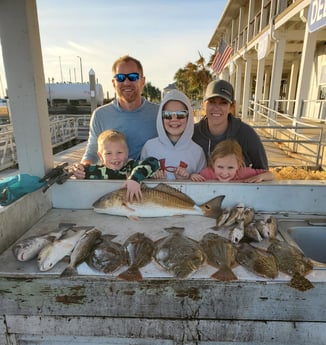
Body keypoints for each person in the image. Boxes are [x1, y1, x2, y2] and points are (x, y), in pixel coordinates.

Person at [74, 55, 158, 179]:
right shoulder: (100, 115)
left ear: (142, 81)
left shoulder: (159, 113)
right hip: (112, 183)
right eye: (120, 78)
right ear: (114, 83)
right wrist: (82, 167)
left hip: (151, 183)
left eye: (133, 77)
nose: (126, 82)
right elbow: (92, 151)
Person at [192, 79, 268, 169]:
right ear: (204, 105)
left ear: (231, 107)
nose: (217, 108)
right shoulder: (192, 133)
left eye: (223, 103)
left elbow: (263, 170)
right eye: (212, 102)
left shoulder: (246, 134)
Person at [73, 129, 159, 201]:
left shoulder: (132, 166)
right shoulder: (95, 171)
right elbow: (76, 171)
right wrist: (77, 171)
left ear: (127, 152)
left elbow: (154, 162)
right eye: (108, 153)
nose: (115, 157)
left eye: (119, 152)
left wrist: (135, 179)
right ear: (100, 156)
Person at [141, 89, 206, 180]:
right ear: (161, 117)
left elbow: (203, 187)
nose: (174, 119)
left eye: (180, 114)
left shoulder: (197, 152)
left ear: (189, 116)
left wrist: (189, 177)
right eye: (167, 114)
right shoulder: (149, 147)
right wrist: (152, 177)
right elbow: (140, 178)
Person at [191, 139, 274, 182]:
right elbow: (195, 180)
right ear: (213, 164)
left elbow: (270, 175)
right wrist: (192, 176)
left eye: (230, 167)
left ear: (238, 165)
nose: (224, 172)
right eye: (220, 167)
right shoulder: (207, 173)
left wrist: (260, 177)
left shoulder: (243, 172)